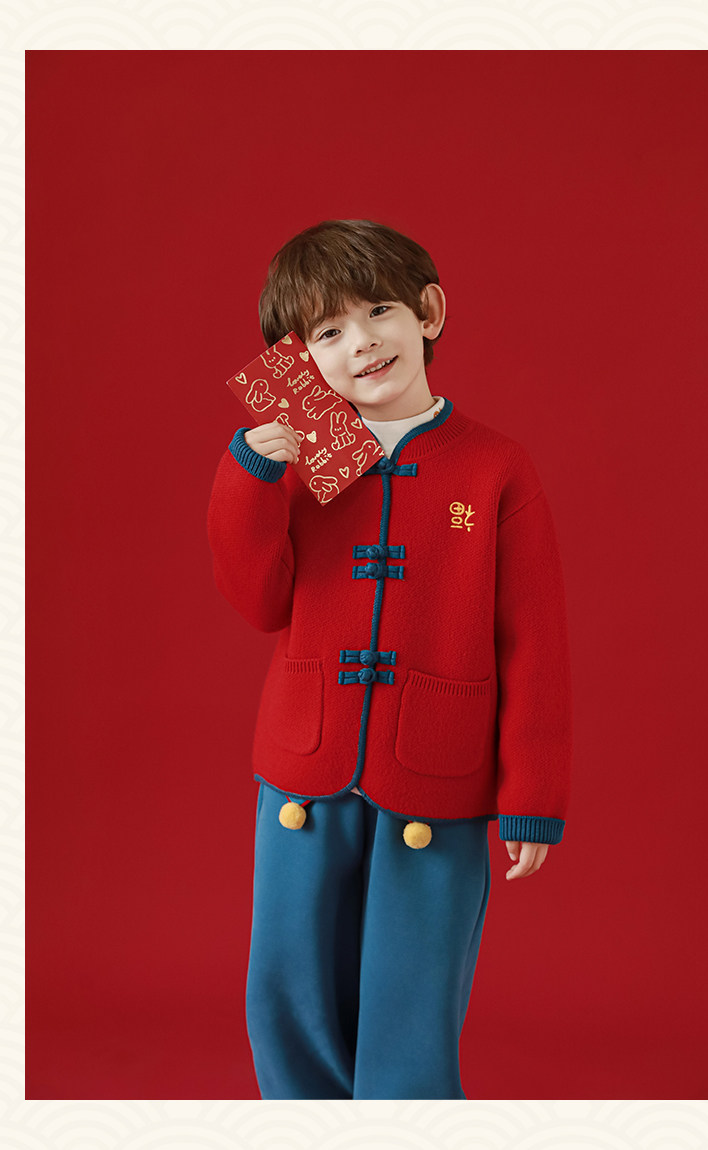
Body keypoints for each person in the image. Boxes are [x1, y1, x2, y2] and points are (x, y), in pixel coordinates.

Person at [206, 218, 573, 1100]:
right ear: (299, 362)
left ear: (428, 313)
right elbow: (258, 602)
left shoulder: (495, 467)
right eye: (328, 332)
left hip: (437, 777)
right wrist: (248, 476)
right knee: (287, 990)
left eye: (379, 312)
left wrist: (531, 798)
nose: (362, 343)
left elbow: (534, 640)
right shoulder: (298, 461)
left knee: (412, 1002)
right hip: (304, 769)